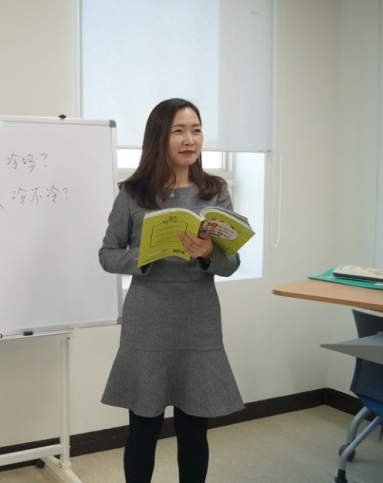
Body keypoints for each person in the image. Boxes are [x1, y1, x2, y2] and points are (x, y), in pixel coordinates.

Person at [98, 98, 244, 483]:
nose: (189, 139)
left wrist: (209, 253)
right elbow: (107, 254)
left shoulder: (215, 191)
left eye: (196, 130)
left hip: (199, 319)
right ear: (159, 137)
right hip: (148, 320)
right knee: (144, 426)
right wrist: (144, 257)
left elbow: (231, 263)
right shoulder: (133, 193)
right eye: (179, 130)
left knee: (194, 427)